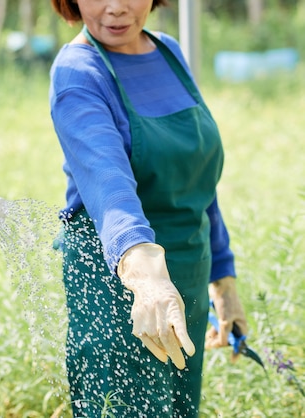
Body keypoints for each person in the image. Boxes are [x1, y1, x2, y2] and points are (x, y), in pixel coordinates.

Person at [48, 0, 249, 416]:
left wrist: (223, 283)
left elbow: (197, 177)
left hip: (187, 279)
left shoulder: (170, 53)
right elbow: (109, 186)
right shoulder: (77, 74)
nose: (115, 8)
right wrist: (145, 277)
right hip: (123, 289)